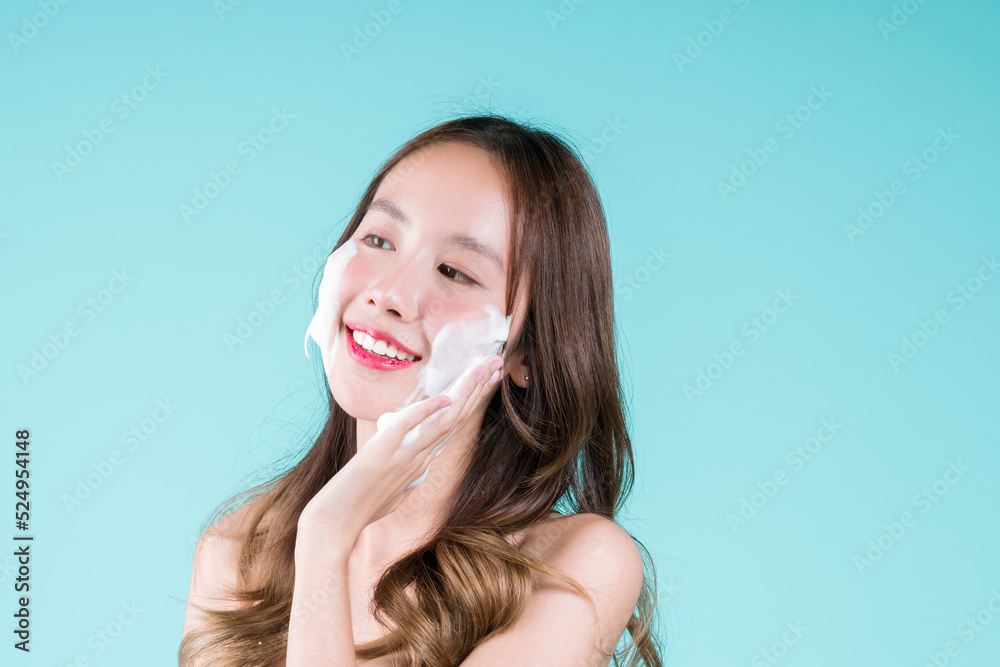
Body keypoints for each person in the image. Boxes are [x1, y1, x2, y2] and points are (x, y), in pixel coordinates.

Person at [179, 114, 664, 666]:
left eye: (455, 272)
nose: (389, 293)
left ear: (526, 354)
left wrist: (328, 539)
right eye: (379, 239)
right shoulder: (237, 556)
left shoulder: (576, 568)